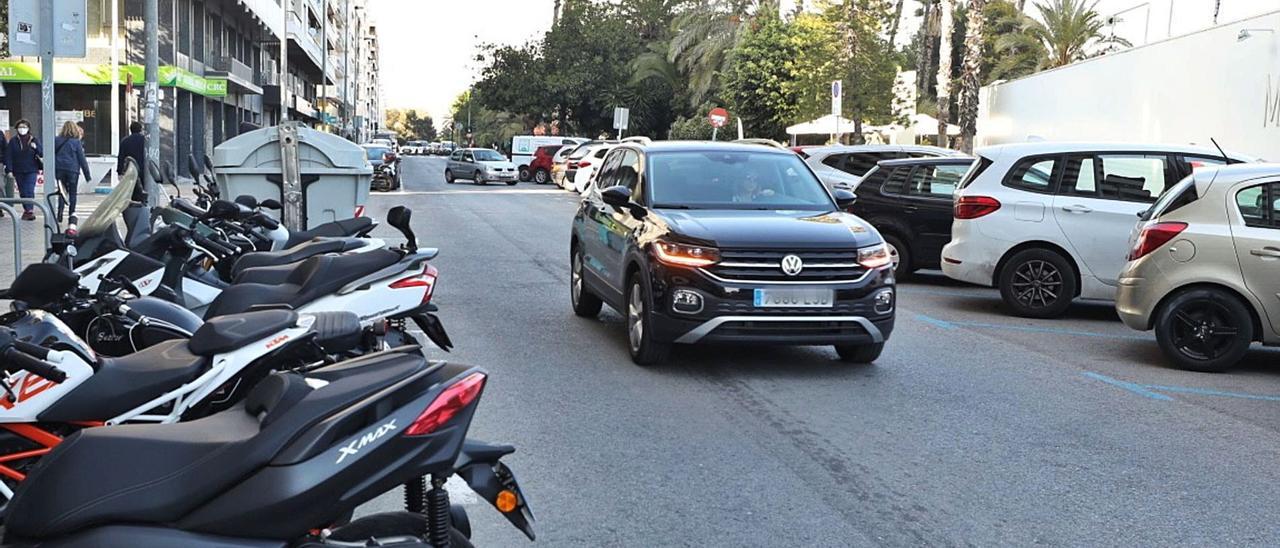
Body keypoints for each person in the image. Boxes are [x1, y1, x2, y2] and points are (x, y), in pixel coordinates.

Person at [54, 121, 93, 224]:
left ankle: (60, 213)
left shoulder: (56, 140)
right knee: (72, 193)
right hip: (72, 170)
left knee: (62, 192)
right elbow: (81, 159)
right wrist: (87, 175)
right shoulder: (76, 142)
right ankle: (71, 213)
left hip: (59, 169)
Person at [5, 119, 42, 220]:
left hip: (31, 169)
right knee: (23, 191)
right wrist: (9, 170)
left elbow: (41, 153)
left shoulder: (34, 140)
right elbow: (8, 156)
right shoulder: (13, 141)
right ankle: (27, 210)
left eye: (24, 127)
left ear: (28, 128)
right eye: (20, 127)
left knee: (29, 189)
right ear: (17, 128)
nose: (22, 129)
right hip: (18, 169)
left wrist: (36, 148)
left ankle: (29, 210)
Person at [117, 121, 147, 202]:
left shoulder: (125, 141)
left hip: (130, 170)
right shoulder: (145, 141)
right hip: (143, 170)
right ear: (140, 129)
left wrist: (119, 172)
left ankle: (134, 205)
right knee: (143, 189)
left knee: (132, 191)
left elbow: (121, 157)